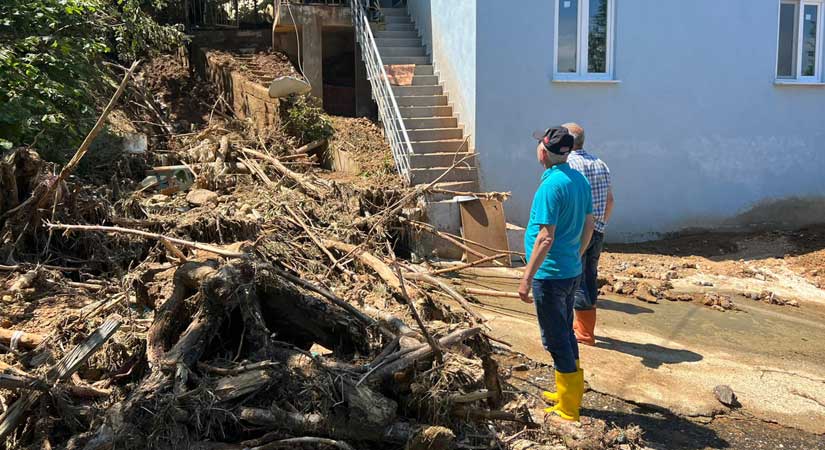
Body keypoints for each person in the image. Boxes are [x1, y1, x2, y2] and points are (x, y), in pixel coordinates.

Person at [518, 126, 595, 422]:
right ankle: (568, 393)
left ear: (544, 151)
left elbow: (545, 238)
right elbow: (590, 224)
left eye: (539, 143)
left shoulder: (551, 187)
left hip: (550, 276)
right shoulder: (578, 179)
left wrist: (526, 277)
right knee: (565, 330)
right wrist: (578, 254)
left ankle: (568, 407)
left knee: (555, 338)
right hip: (570, 270)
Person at [562, 123, 614, 346]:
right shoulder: (600, 163)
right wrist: (600, 224)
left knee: (576, 279)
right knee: (589, 277)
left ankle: (583, 334)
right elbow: (610, 200)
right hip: (598, 230)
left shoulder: (569, 165)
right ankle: (583, 328)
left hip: (577, 231)